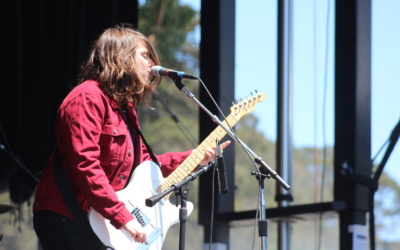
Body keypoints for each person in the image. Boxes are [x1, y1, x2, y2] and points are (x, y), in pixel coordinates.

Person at [32, 24, 230, 250]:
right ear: (121, 56)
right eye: (145, 56)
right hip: (67, 216)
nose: (151, 64)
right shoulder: (87, 97)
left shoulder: (125, 108)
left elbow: (147, 167)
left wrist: (196, 158)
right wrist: (122, 216)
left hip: (99, 219)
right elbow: (85, 165)